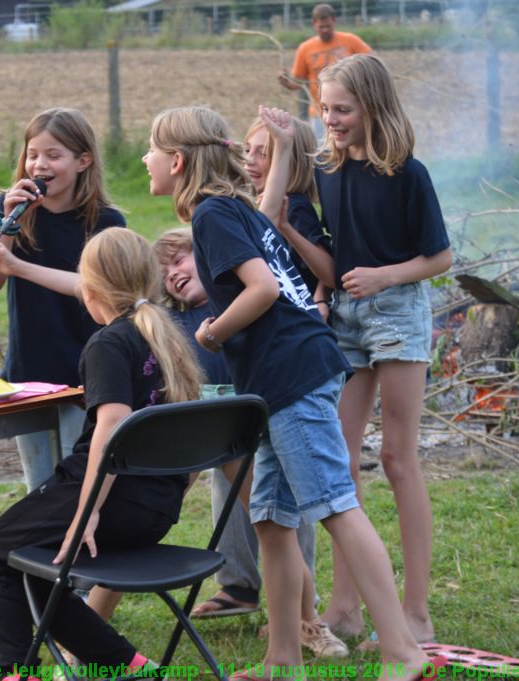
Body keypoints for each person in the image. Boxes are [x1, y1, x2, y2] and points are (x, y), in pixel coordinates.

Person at [144, 106, 445, 681]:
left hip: (292, 374)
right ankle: (282, 662)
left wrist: (211, 331)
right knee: (273, 522)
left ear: (178, 162)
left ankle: (405, 653)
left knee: (335, 506)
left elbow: (259, 289)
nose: (145, 160)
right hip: (282, 377)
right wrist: (283, 148)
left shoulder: (211, 214)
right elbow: (267, 224)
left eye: (152, 151)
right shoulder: (232, 207)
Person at [0, 227, 204, 681]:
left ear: (89, 289)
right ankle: (129, 666)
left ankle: (16, 674)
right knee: (32, 567)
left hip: (108, 501)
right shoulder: (165, 336)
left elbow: (111, 427)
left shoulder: (111, 343)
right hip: (155, 508)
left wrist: (88, 510)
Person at [153, 228, 346, 659]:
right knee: (146, 510)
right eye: (164, 273)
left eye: (179, 260)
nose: (173, 274)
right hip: (194, 423)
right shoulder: (170, 321)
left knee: (279, 523)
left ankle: (305, 620)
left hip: (249, 419)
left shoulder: (241, 303)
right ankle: (83, 628)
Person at [314, 53, 451, 647]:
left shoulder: (408, 175)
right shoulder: (326, 170)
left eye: (342, 110)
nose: (331, 120)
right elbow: (330, 246)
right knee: (340, 467)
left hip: (396, 315)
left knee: (397, 459)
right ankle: (345, 609)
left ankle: (416, 613)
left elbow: (440, 258)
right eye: (325, 109)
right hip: (344, 319)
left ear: (372, 108)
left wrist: (383, 277)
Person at [0, 107, 125, 492]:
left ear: (82, 160)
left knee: (79, 484)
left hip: (87, 374)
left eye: (53, 155)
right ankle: (44, 552)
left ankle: (81, 549)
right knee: (38, 488)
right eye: (32, 155)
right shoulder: (3, 210)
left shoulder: (106, 222)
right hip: (30, 371)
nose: (39, 164)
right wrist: (9, 225)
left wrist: (18, 266)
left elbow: (96, 288)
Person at [243, 108, 334, 322]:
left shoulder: (294, 207)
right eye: (247, 150)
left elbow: (328, 270)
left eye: (262, 153)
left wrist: (286, 228)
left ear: (289, 163)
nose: (249, 159)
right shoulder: (249, 206)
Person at [277, 3, 371, 136]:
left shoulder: (350, 41)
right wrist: (285, 81)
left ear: (334, 21)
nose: (325, 30)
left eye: (328, 26)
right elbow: (298, 83)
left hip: (350, 112)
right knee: (324, 153)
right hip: (319, 114)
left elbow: (372, 61)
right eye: (321, 27)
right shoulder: (305, 48)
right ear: (314, 23)